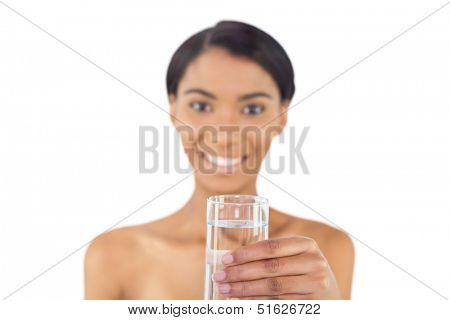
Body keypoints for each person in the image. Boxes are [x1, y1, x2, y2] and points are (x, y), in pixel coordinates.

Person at [84, 20, 354, 300]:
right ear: (174, 109)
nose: (225, 137)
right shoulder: (112, 256)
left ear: (281, 116)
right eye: (201, 106)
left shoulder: (324, 254)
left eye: (252, 108)